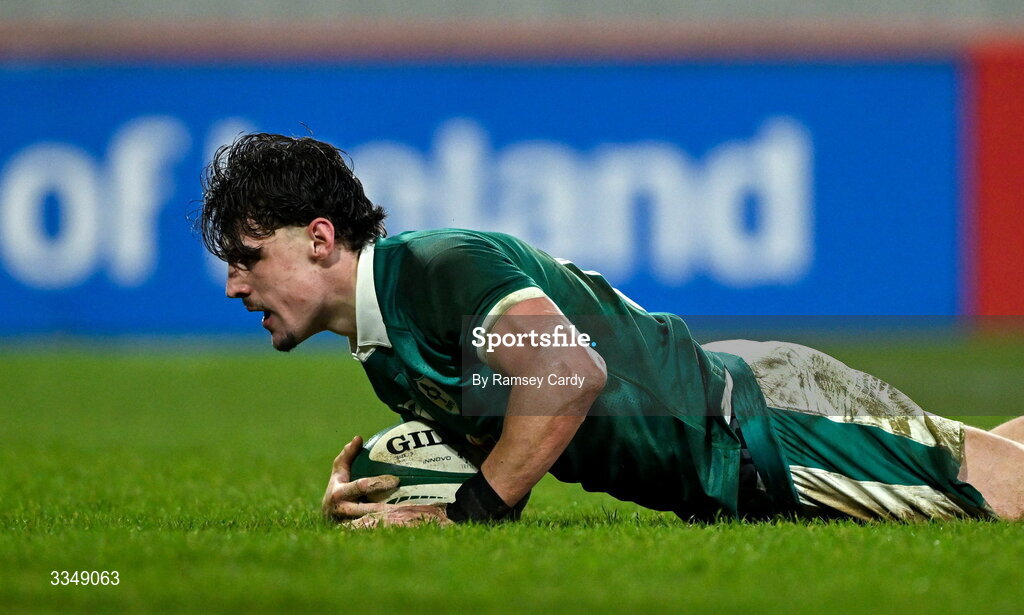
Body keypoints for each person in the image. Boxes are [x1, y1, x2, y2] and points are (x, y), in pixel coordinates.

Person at [197, 132, 1024, 528]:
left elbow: (564, 374)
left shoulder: (435, 271)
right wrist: (380, 491)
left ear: (317, 237)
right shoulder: (384, 346)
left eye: (246, 255)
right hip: (731, 430)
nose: (235, 283)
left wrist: (472, 513)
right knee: (977, 455)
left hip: (755, 430)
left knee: (1002, 496)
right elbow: (512, 424)